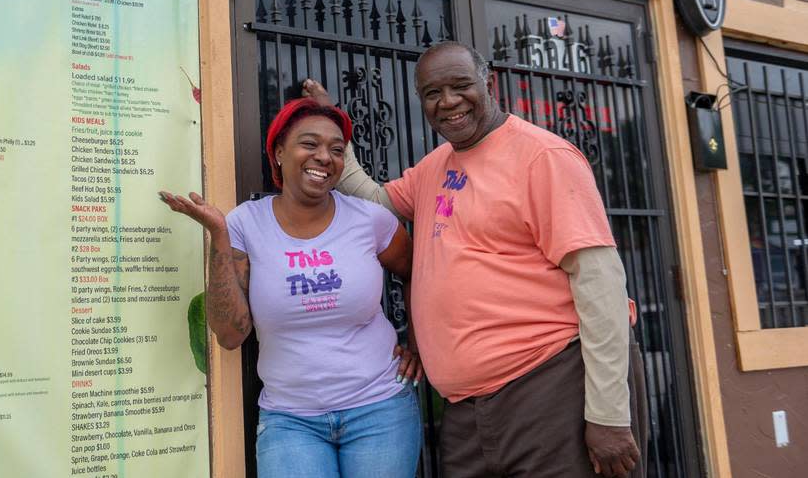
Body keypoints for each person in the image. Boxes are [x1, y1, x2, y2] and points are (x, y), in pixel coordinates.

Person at [303, 41, 647, 478]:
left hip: (550, 387)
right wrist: (334, 130)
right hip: (467, 412)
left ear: (489, 83)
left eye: (460, 85)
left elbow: (601, 287)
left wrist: (610, 414)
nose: (447, 102)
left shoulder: (544, 157)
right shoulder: (435, 166)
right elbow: (374, 200)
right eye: (432, 93)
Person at [160, 98, 424, 478]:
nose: (324, 157)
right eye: (309, 144)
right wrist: (219, 236)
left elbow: (417, 272)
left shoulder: (371, 221)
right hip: (291, 420)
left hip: (380, 409)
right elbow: (231, 335)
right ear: (279, 152)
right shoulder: (245, 224)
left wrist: (416, 345)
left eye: (336, 149)